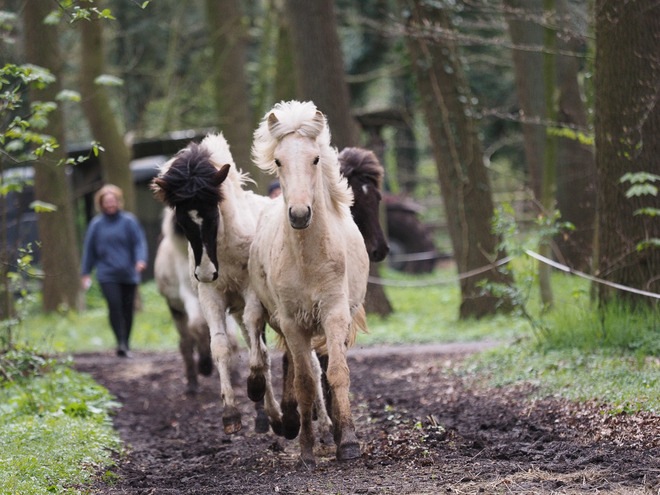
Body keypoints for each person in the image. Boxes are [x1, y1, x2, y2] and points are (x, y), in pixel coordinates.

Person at [80, 185, 148, 357]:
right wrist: (85, 272)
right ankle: (121, 343)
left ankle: (127, 342)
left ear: (118, 202)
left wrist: (141, 260)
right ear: (101, 204)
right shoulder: (96, 225)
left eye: (113, 201)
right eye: (106, 202)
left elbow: (139, 243)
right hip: (107, 274)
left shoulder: (129, 221)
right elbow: (89, 250)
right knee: (114, 306)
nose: (110, 204)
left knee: (127, 309)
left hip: (128, 273)